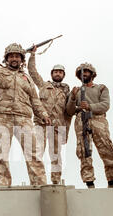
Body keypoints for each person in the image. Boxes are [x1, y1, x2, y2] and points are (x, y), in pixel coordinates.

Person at [0, 34, 51, 186]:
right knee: (2, 154)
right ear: (7, 58)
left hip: (24, 118)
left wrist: (43, 114)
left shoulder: (27, 79)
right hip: (3, 117)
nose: (14, 59)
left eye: (17, 56)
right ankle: (3, 186)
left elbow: (35, 100)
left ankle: (40, 185)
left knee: (33, 153)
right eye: (11, 56)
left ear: (22, 59)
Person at [66, 63, 113, 188]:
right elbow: (69, 111)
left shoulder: (101, 88)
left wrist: (90, 106)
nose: (84, 74)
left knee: (106, 149)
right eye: (81, 73)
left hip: (98, 120)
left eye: (86, 72)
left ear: (92, 74)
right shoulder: (76, 91)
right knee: (84, 151)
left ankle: (112, 181)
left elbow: (105, 105)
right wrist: (72, 98)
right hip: (81, 120)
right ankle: (89, 183)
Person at [28, 47, 71, 184]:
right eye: (55, 72)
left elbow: (68, 114)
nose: (58, 74)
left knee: (56, 157)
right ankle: (37, 181)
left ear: (63, 75)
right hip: (41, 124)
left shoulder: (67, 92)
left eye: (60, 72)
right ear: (52, 73)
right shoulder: (43, 85)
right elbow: (33, 72)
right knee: (37, 152)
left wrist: (66, 132)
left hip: (58, 128)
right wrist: (33, 55)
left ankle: (56, 183)